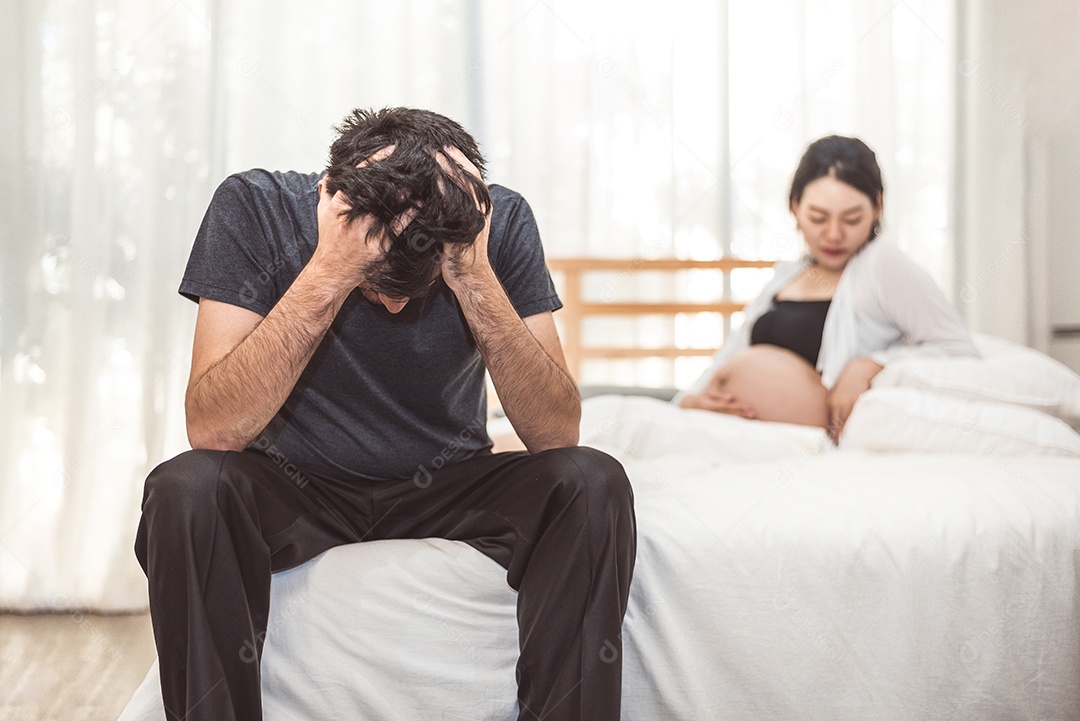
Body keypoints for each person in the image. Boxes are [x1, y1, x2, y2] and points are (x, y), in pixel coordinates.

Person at [134, 107, 636, 721]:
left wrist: (472, 275)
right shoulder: (253, 205)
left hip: (445, 485)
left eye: (414, 285)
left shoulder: (496, 222)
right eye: (379, 284)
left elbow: (555, 433)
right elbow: (212, 428)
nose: (396, 305)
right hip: (297, 485)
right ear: (329, 199)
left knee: (591, 480)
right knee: (186, 488)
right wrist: (331, 270)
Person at [676, 135, 979, 441]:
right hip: (731, 436)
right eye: (818, 218)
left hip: (803, 449)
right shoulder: (788, 274)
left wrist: (872, 365)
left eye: (852, 219)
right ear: (795, 205)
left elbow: (958, 349)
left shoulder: (881, 265)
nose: (834, 234)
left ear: (877, 206)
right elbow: (731, 353)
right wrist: (691, 400)